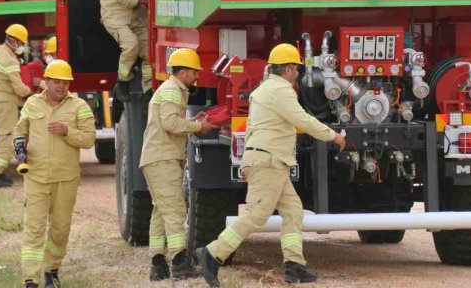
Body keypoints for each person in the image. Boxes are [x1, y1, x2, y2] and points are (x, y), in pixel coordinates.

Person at [197, 43, 346, 287]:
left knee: (292, 210)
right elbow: (303, 120)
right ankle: (212, 254)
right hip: (269, 161)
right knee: (257, 214)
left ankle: (294, 265)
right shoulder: (282, 91)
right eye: (296, 69)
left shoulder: (264, 89)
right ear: (287, 70)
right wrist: (334, 135)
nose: (298, 73)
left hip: (268, 159)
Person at [13, 59, 96, 288]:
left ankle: (52, 270)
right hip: (36, 177)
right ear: (47, 82)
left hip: (66, 178)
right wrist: (19, 147)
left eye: (65, 82)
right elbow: (19, 131)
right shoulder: (32, 104)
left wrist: (67, 131)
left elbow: (89, 139)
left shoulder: (79, 106)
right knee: (34, 228)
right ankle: (30, 279)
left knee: (60, 229)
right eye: (57, 81)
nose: (61, 86)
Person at [140, 48, 217, 281]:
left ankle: (157, 264)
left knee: (161, 211)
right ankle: (179, 262)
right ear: (183, 71)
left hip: (156, 157)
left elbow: (172, 121)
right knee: (174, 210)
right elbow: (170, 123)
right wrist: (197, 128)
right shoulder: (173, 91)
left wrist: (194, 122)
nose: (197, 76)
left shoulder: (172, 90)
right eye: (194, 71)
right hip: (162, 159)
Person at [0, 23, 34, 188]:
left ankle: (1, 173)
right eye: (20, 43)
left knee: (4, 138)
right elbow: (19, 88)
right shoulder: (10, 60)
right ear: (13, 41)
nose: (21, 47)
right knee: (8, 141)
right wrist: (32, 94)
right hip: (6, 103)